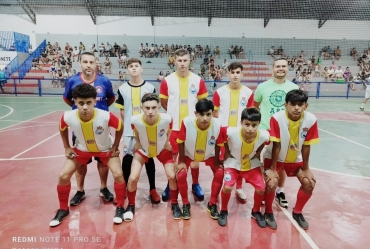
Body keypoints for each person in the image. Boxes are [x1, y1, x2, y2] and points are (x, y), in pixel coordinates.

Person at [50, 84, 126, 227]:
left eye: (88, 103)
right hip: (81, 150)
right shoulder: (68, 116)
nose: (85, 107)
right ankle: (63, 209)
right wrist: (67, 147)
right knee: (63, 176)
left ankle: (120, 207)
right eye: (81, 103)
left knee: (118, 173)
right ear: (75, 102)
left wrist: (115, 146)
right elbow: (62, 128)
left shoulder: (105, 116)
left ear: (95, 101)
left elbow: (120, 127)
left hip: (106, 150)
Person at [63, 52, 116, 206]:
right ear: (80, 63)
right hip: (80, 130)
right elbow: (68, 99)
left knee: (103, 162)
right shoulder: (72, 80)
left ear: (95, 64)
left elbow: (111, 98)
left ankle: (104, 188)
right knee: (80, 162)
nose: (88, 65)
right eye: (85, 62)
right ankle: (80, 191)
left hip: (102, 130)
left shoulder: (104, 81)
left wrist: (100, 112)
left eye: (91, 62)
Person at [263, 89, 319, 230]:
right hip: (275, 158)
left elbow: (306, 145)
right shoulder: (277, 118)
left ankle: (297, 212)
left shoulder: (311, 119)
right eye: (293, 104)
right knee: (271, 183)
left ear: (306, 106)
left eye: (300, 104)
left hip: (295, 159)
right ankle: (268, 212)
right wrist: (273, 169)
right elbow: (277, 144)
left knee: (309, 183)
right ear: (285, 105)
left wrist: (306, 168)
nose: (296, 108)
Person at [159, 48, 208, 202]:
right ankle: (170, 183)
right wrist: (174, 114)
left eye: (185, 60)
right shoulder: (167, 81)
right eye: (179, 61)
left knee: (194, 158)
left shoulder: (198, 80)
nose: (182, 64)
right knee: (172, 158)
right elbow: (164, 102)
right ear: (174, 61)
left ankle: (195, 184)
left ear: (190, 61)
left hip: (193, 129)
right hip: (174, 128)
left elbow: (202, 104)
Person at [124, 93, 179, 221]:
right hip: (143, 150)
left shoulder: (167, 119)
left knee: (172, 176)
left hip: (161, 150)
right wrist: (137, 142)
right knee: (132, 178)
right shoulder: (135, 120)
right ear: (142, 108)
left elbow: (170, 129)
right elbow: (135, 130)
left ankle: (175, 204)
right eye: (147, 108)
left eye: (154, 107)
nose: (150, 111)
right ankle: (131, 206)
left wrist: (166, 143)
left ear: (159, 107)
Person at [254, 58, 298, 209]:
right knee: (261, 162)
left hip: (285, 131)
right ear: (272, 68)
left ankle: (280, 191)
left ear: (288, 68)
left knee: (282, 164)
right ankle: (265, 188)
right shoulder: (262, 87)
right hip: (265, 131)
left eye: (283, 66)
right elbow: (255, 106)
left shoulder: (293, 88)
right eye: (278, 66)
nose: (281, 69)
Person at [114, 58, 160, 204]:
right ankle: (126, 189)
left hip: (147, 131)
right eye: (131, 66)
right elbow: (122, 111)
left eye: (136, 66)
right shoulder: (122, 89)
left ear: (141, 69)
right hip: (129, 131)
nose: (134, 68)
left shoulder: (150, 87)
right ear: (127, 70)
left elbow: (154, 108)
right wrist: (129, 124)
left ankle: (152, 189)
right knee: (127, 159)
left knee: (149, 158)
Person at [218, 108, 270, 227]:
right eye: (247, 124)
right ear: (241, 122)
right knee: (227, 188)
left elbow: (266, 141)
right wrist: (225, 152)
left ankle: (255, 211)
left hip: (251, 165)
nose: (250, 129)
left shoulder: (264, 134)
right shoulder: (231, 132)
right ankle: (224, 210)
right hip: (233, 164)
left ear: (259, 124)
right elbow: (221, 134)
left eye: (254, 125)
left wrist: (258, 153)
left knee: (261, 188)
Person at [212, 61, 254, 203]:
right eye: (232, 72)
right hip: (223, 133)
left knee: (240, 159)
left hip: (241, 133)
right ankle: (224, 184)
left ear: (242, 74)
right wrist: (224, 126)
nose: (235, 75)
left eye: (238, 72)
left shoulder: (248, 93)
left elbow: (249, 113)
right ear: (228, 73)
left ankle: (239, 187)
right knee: (223, 160)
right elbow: (215, 112)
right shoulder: (219, 92)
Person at [176, 99, 224, 220]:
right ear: (195, 113)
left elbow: (219, 143)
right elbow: (180, 142)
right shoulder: (187, 122)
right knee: (181, 175)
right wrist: (181, 161)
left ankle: (212, 203)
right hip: (188, 153)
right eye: (201, 114)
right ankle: (185, 204)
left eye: (208, 114)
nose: (205, 118)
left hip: (209, 154)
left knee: (220, 173)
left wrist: (218, 161)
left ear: (213, 113)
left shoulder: (218, 124)